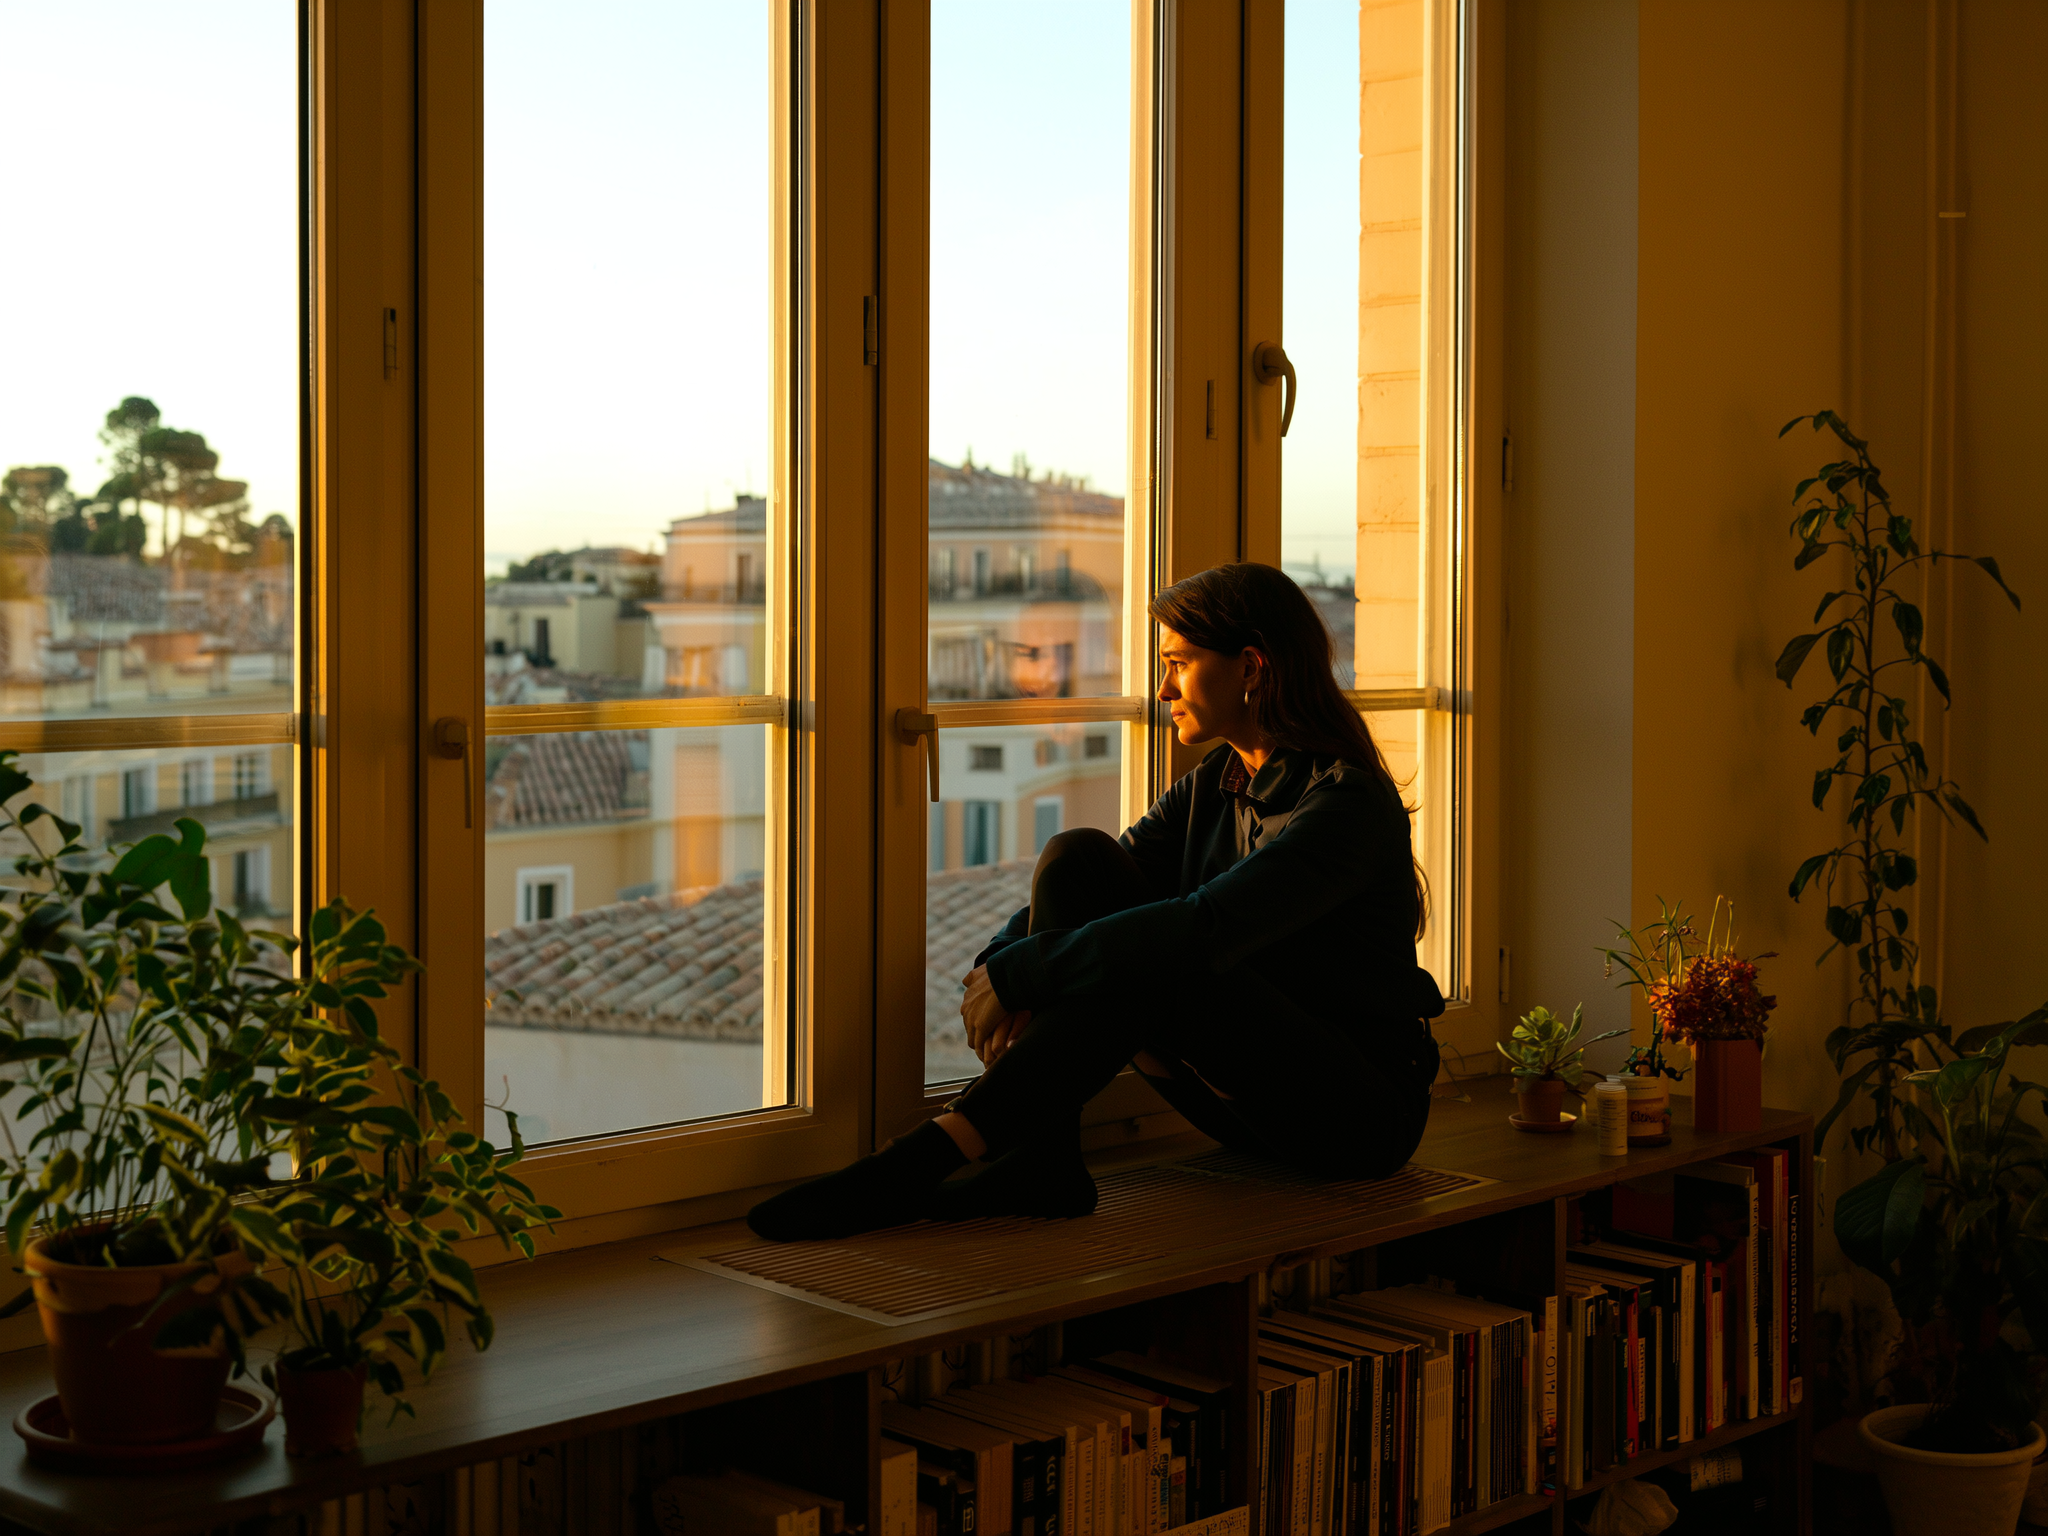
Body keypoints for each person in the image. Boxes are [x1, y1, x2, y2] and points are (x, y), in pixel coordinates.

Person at [747, 562, 1444, 1242]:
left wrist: (1024, 975)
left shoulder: (1346, 803)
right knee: (1080, 856)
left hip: (1357, 1116)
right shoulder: (1217, 781)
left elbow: (1205, 930)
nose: (1163, 686)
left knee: (1172, 953)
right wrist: (999, 963)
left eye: (1179, 661)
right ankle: (1039, 1158)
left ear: (1252, 668)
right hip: (1243, 1106)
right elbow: (1091, 889)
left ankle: (931, 1156)